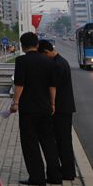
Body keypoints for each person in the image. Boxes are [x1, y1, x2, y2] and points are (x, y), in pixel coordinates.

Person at [10, 32, 62, 185]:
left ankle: (37, 178)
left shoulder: (21, 61)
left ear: (22, 46)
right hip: (45, 107)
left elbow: (19, 84)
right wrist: (52, 103)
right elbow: (52, 86)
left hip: (28, 109)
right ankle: (55, 177)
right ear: (37, 45)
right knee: (49, 141)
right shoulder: (48, 61)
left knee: (30, 143)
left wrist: (15, 102)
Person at [39, 39, 77, 181]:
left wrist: (52, 104)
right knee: (65, 140)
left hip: (61, 108)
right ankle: (68, 170)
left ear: (46, 52)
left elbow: (53, 87)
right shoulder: (62, 61)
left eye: (42, 56)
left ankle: (67, 172)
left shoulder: (56, 65)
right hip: (66, 107)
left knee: (62, 141)